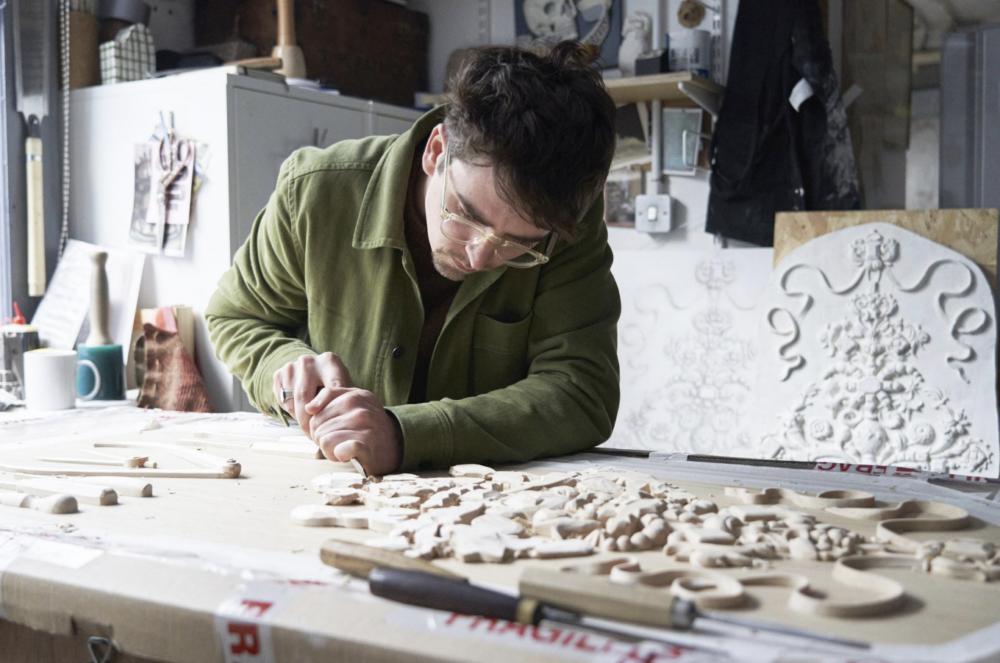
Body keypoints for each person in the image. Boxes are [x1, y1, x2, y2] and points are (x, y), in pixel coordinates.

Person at [205, 42, 621, 476]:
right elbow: (235, 318)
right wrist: (285, 368)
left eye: (519, 244)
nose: (480, 257)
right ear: (436, 151)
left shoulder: (565, 226)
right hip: (330, 481)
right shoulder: (315, 191)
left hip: (492, 499)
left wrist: (407, 434)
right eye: (465, 215)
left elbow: (581, 391)